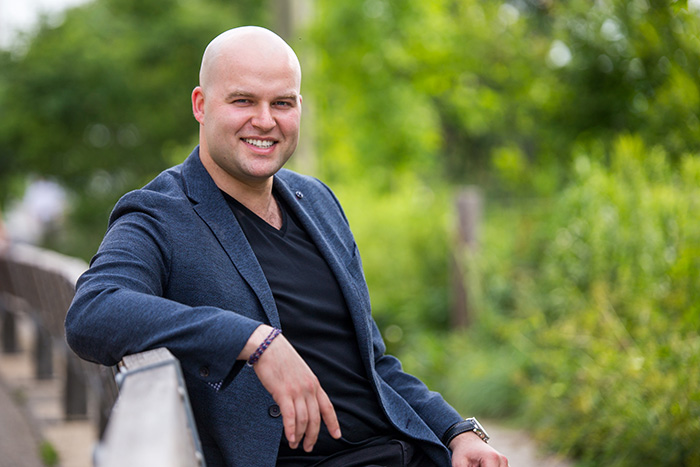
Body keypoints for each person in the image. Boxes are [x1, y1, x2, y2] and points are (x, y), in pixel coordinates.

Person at [65, 26, 509, 467]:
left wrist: (455, 431)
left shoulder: (317, 201)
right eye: (243, 101)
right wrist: (253, 340)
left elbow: (372, 365)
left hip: (405, 452)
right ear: (201, 105)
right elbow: (93, 310)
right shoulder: (160, 213)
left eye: (282, 103)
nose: (265, 120)